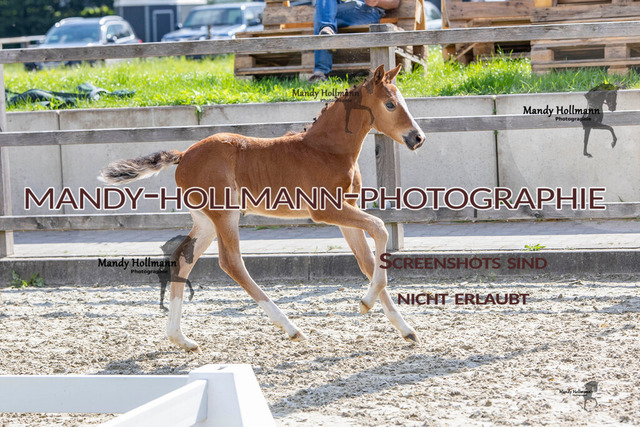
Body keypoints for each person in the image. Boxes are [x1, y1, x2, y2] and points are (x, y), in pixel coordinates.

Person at [310, 0, 400, 82]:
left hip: (367, 11)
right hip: (341, 8)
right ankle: (327, 26)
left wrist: (377, 2)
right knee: (323, 14)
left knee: (321, 15)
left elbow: (395, 2)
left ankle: (320, 72)